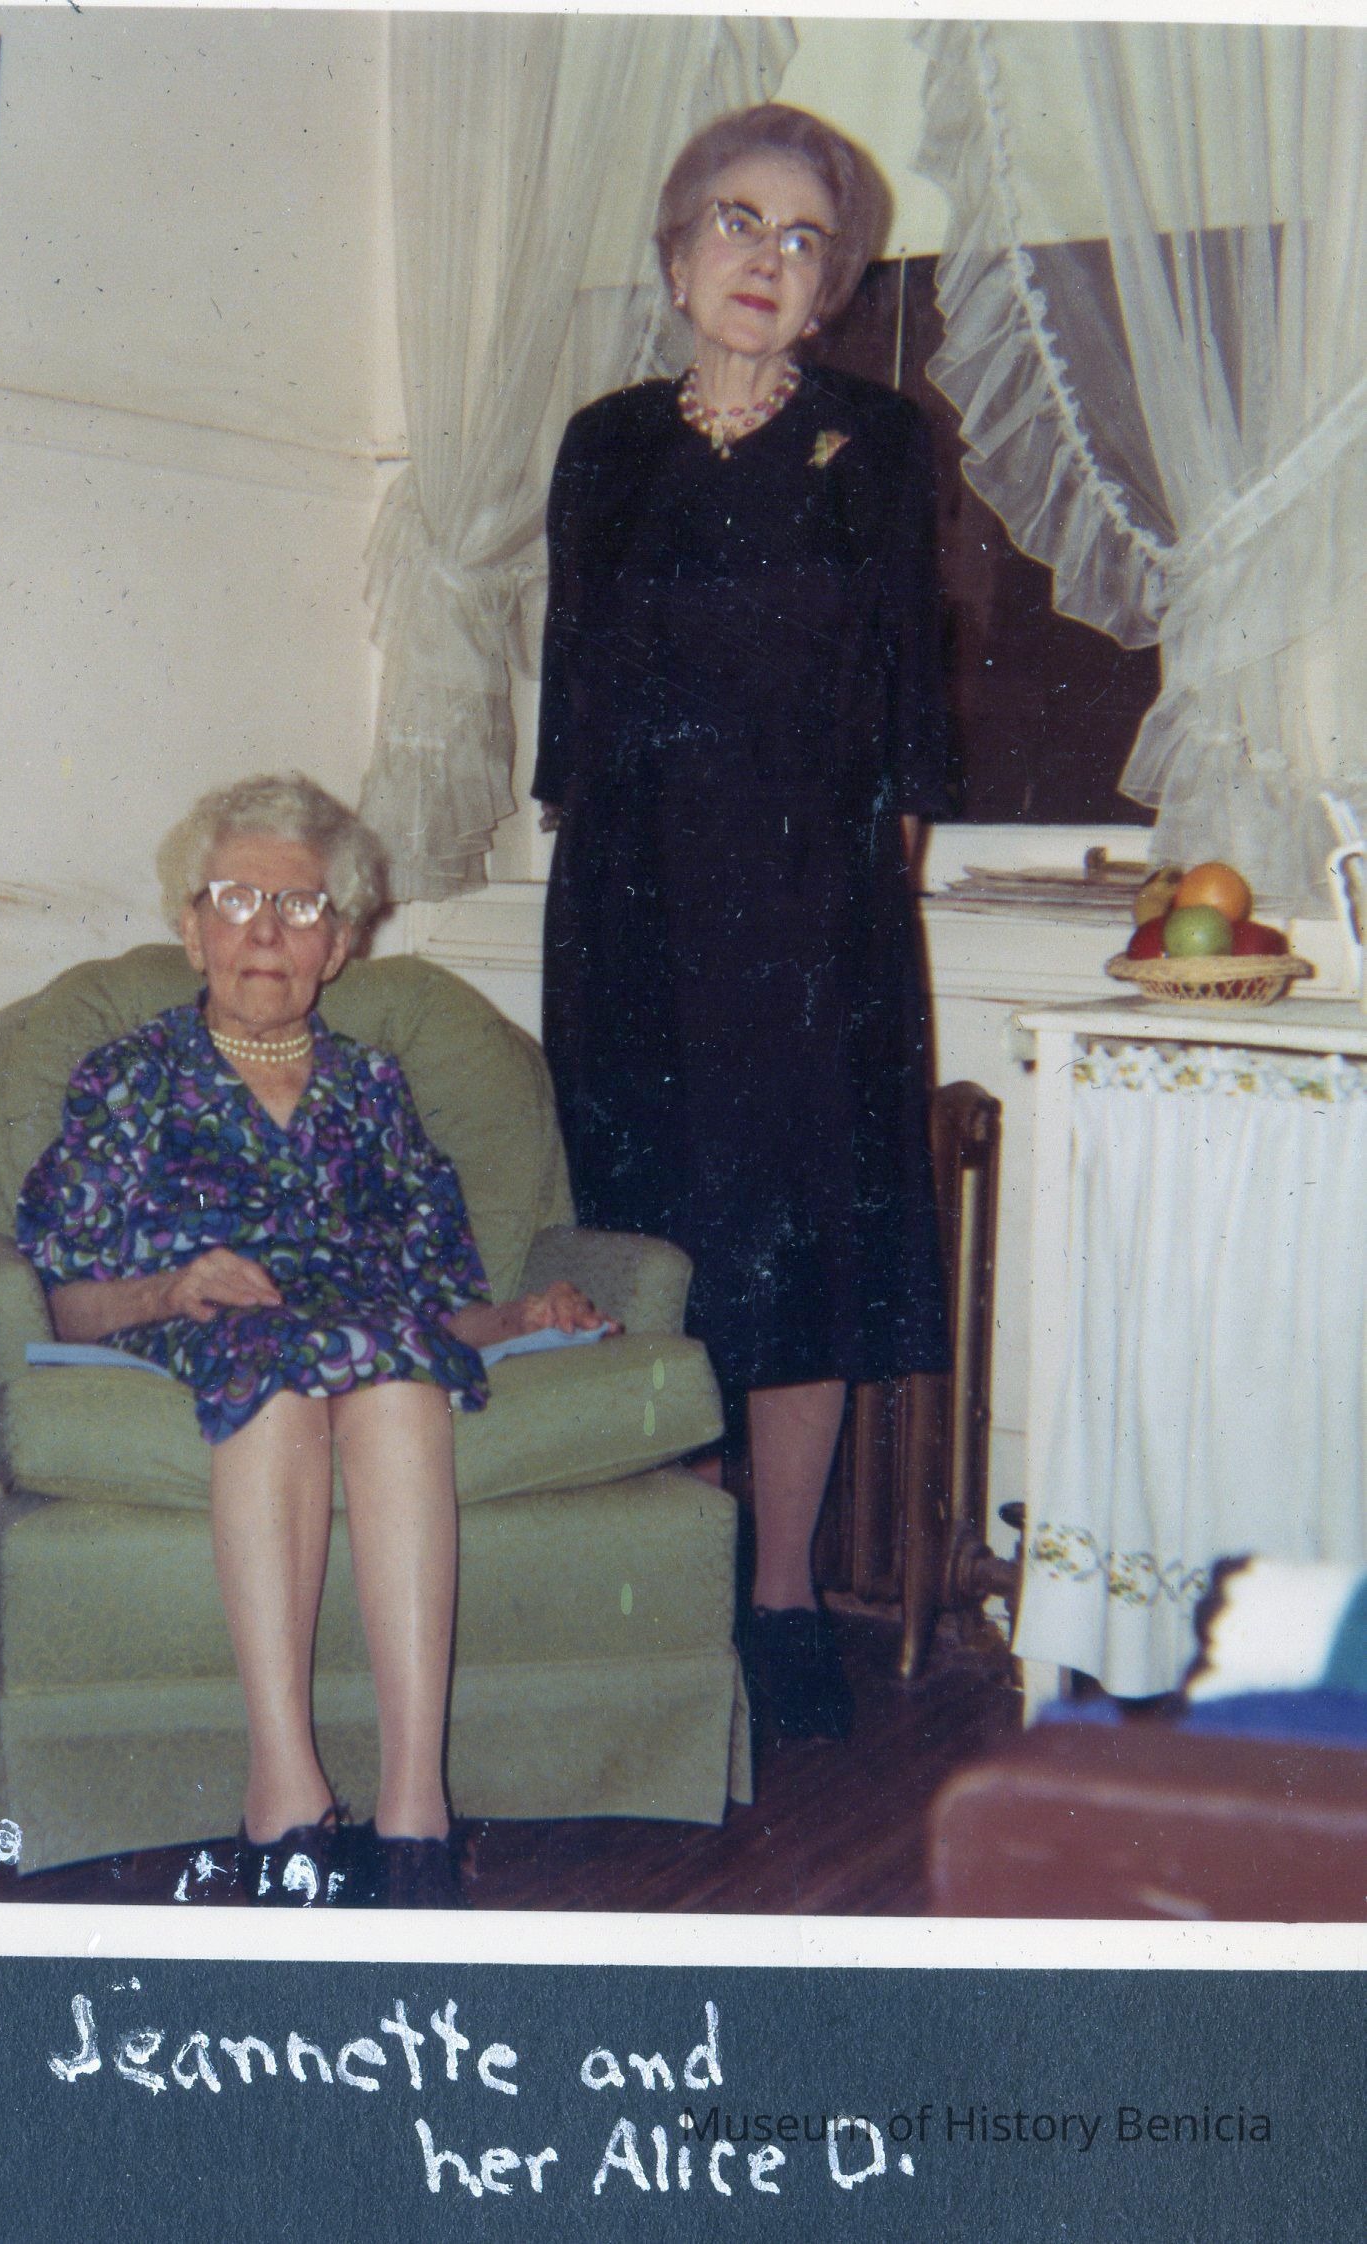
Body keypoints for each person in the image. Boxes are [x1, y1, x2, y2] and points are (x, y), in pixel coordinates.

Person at [534, 105, 953, 1742]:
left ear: (835, 283)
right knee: (656, 1241)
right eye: (735, 220)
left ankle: (780, 1601)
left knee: (802, 1255)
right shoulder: (603, 443)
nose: (766, 258)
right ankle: (679, 1581)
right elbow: (574, 688)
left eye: (802, 237)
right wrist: (585, 853)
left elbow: (908, 691)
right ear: (675, 253)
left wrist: (863, 908)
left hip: (806, 917)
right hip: (631, 907)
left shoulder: (879, 438)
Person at [16, 773, 606, 1908]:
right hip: (216, 1339)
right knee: (282, 1377)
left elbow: (436, 1302)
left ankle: (415, 1806)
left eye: (298, 908)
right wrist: (170, 1287)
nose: (265, 932)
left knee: (401, 1380)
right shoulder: (129, 1079)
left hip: (371, 1343)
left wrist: (527, 1316)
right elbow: (55, 1300)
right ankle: (283, 1787)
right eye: (237, 900)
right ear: (192, 928)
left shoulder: (375, 1089)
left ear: (336, 947)